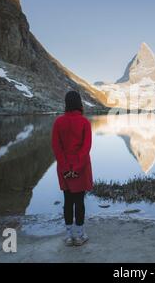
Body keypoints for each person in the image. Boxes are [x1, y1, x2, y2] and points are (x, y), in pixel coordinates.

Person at [51, 91, 93, 246]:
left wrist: (65, 168)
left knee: (67, 201)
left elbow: (57, 147)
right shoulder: (84, 122)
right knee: (79, 202)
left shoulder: (58, 122)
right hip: (80, 168)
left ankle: (69, 236)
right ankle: (80, 235)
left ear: (66, 103)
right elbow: (86, 148)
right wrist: (76, 168)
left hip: (64, 168)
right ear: (79, 103)